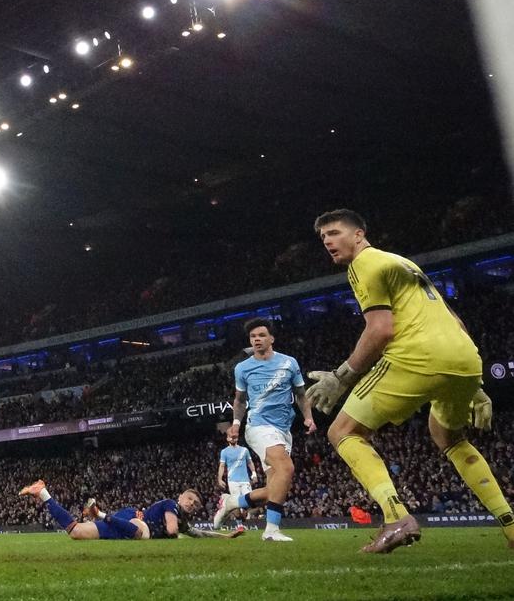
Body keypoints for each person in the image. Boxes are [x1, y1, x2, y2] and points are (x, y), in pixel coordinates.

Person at [305, 209, 513, 552]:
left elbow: (381, 329)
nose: (328, 240)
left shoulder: (364, 265)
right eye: (323, 236)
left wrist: (342, 378)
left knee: (343, 431)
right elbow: (452, 317)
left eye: (335, 232)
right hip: (464, 355)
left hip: (416, 356)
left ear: (359, 234)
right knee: (447, 434)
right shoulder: (403, 263)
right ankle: (510, 525)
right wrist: (473, 384)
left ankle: (396, 517)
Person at [214, 318, 316, 541]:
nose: (257, 339)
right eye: (253, 337)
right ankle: (271, 530)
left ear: (271, 338)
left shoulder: (289, 363)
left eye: (261, 335)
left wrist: (308, 417)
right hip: (258, 426)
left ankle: (233, 501)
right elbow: (240, 401)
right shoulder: (243, 368)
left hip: (283, 429)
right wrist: (236, 425)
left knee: (275, 488)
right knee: (286, 468)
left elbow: (300, 394)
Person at [18, 480, 237, 540]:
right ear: (181, 497)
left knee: (76, 532)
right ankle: (101, 514)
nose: (191, 504)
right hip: (134, 519)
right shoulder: (172, 505)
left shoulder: (181, 518)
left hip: (126, 521)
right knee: (143, 534)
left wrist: (225, 537)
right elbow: (172, 531)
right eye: (190, 499)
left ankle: (42, 492)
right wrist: (179, 534)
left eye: (196, 504)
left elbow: (199, 534)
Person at [214, 431, 257, 529]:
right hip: (233, 481)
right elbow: (222, 466)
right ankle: (239, 525)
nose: (233, 439)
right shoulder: (224, 452)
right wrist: (219, 479)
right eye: (231, 437)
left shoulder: (244, 450)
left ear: (237, 438)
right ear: (227, 438)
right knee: (236, 504)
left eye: (235, 437)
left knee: (250, 501)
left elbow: (250, 462)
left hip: (245, 480)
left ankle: (226, 500)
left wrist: (254, 474)